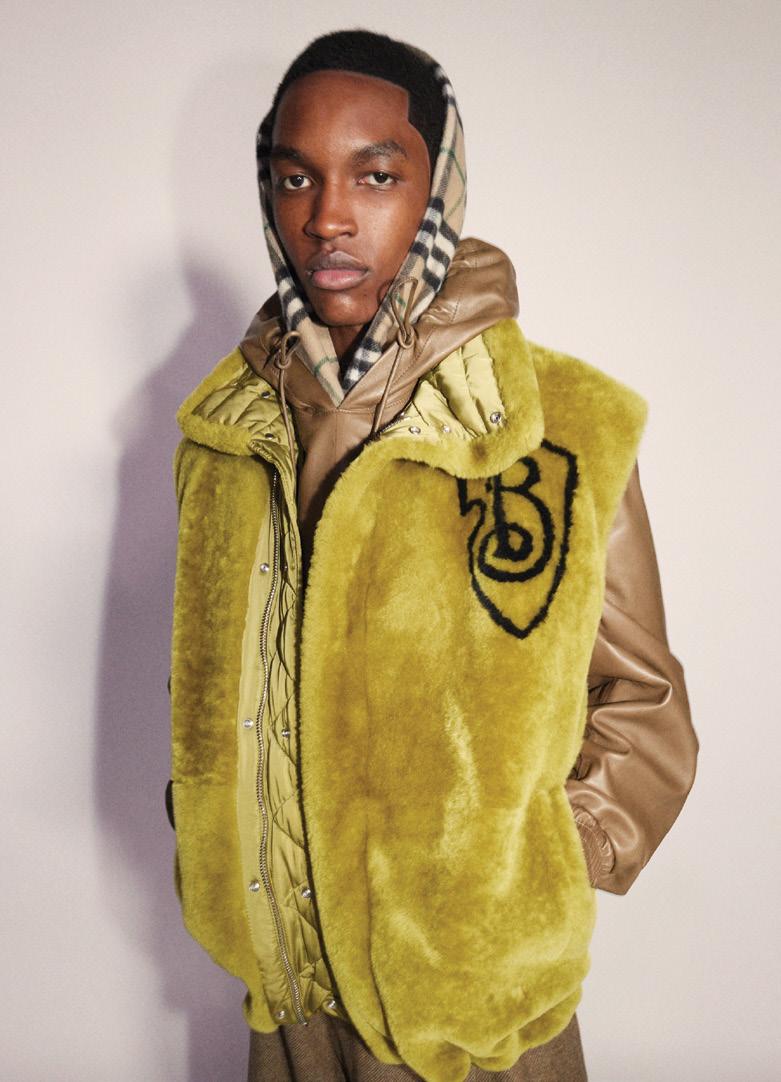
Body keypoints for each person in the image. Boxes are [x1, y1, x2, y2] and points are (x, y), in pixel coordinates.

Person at [165, 28, 699, 1082]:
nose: (328, 216)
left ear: (438, 187)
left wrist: (524, 878)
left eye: (375, 175)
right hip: (286, 1002)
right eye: (296, 177)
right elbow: (204, 689)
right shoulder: (225, 435)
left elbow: (644, 702)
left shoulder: (557, 426)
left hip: (474, 1027)